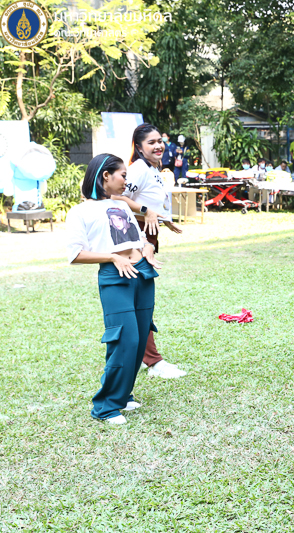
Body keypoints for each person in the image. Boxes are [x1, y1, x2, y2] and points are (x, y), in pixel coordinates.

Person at [66, 154, 162, 424]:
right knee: (124, 339)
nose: (126, 182)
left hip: (142, 273)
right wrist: (111, 257)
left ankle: (123, 395)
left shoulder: (121, 205)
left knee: (140, 338)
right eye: (123, 176)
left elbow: (138, 239)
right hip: (114, 275)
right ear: (106, 176)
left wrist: (148, 248)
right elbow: (75, 254)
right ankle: (105, 407)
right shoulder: (79, 212)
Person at [113, 123, 185, 379]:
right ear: (139, 147)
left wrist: (162, 218)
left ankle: (144, 356)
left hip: (148, 234)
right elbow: (116, 198)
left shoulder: (153, 168)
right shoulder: (138, 169)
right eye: (151, 142)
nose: (158, 146)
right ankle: (153, 361)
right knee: (140, 301)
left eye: (159, 141)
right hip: (135, 237)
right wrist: (147, 213)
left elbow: (148, 202)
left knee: (142, 299)